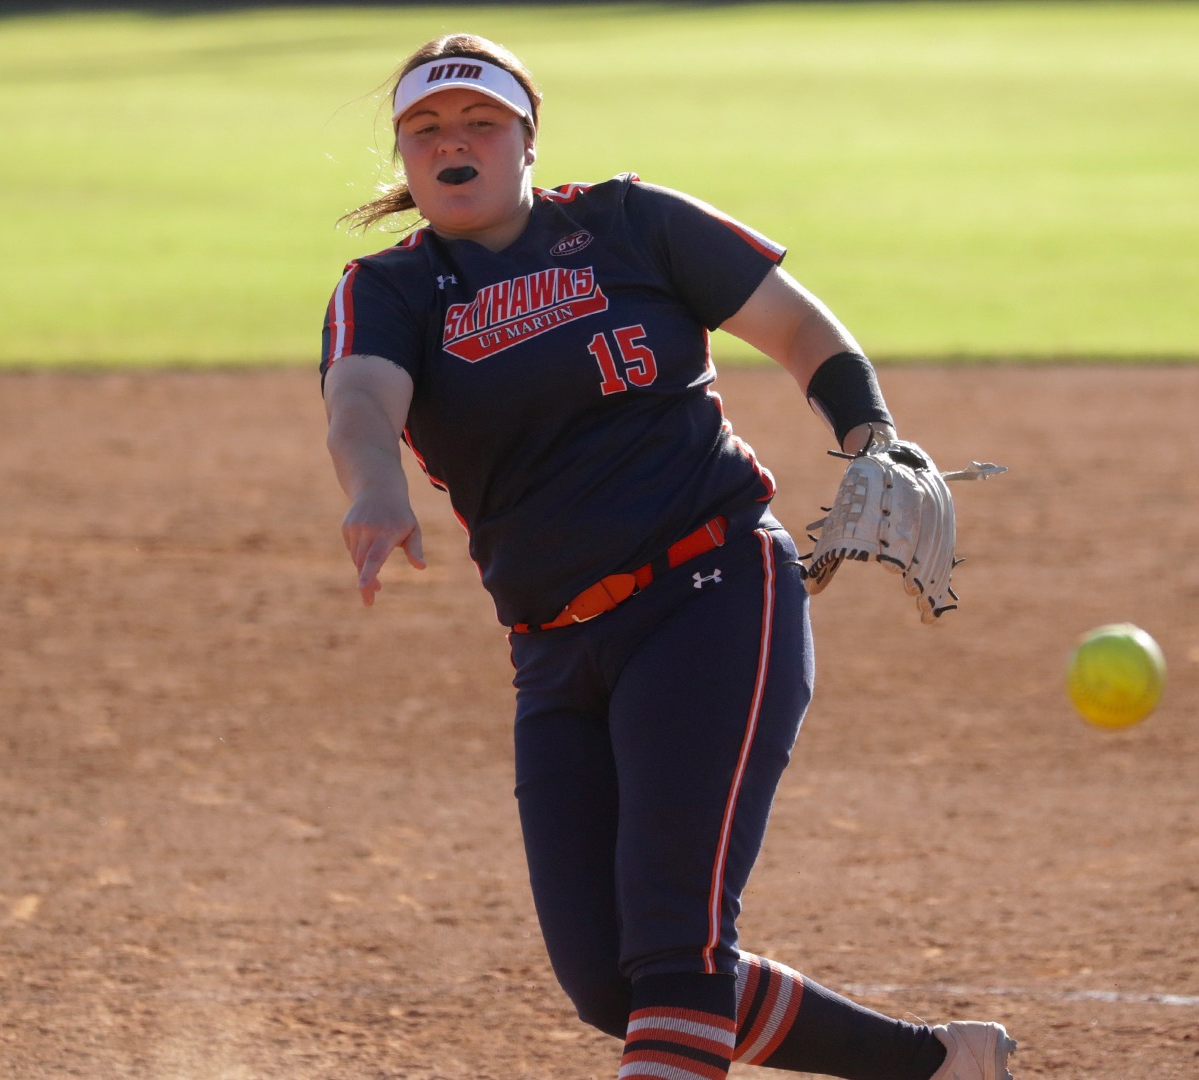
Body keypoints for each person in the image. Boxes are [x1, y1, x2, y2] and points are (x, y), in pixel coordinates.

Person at [320, 34, 1016, 1080]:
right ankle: (940, 1067)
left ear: (527, 139)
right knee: (611, 981)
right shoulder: (390, 288)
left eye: (479, 123)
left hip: (712, 591)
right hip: (554, 652)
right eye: (426, 129)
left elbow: (795, 327)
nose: (452, 144)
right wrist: (374, 487)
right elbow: (362, 399)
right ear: (403, 158)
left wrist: (871, 434)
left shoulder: (629, 223)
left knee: (674, 950)